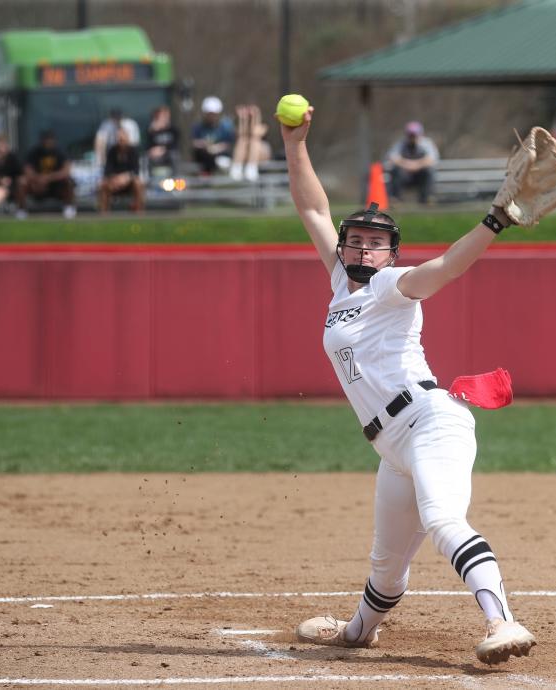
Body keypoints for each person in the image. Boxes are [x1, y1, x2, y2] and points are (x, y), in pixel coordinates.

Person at [282, 104, 539, 665]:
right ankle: (356, 633)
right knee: (386, 564)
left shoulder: (392, 286)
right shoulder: (341, 286)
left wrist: (495, 220)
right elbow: (312, 205)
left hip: (429, 421)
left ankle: (504, 623)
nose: (361, 248)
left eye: (374, 243)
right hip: (391, 443)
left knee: (444, 520)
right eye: (354, 241)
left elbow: (445, 266)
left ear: (390, 254)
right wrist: (294, 143)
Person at [17, 130, 76, 220]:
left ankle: (68, 207)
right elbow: (27, 170)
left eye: (50, 141)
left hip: (55, 185)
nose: (48, 143)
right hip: (36, 185)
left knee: (68, 181)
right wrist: (38, 179)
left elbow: (66, 171)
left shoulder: (60, 152)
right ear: (42, 142)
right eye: (46, 141)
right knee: (22, 182)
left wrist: (48, 178)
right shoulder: (34, 152)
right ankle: (22, 210)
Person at [386, 121, 439, 204]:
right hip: (405, 176)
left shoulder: (427, 144)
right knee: (396, 171)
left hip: (420, 176)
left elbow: (431, 160)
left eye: (414, 135)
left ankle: (427, 198)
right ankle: (396, 199)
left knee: (429, 171)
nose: (412, 137)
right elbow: (393, 158)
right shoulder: (400, 144)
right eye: (410, 135)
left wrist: (413, 165)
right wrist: (411, 165)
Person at [98, 127, 144, 213]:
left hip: (129, 182)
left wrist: (126, 177)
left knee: (138, 183)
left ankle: (138, 211)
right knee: (103, 184)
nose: (121, 141)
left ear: (127, 138)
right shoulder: (112, 151)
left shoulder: (133, 151)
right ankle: (103, 213)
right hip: (115, 182)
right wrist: (116, 179)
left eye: (123, 139)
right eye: (119, 138)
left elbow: (136, 170)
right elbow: (108, 170)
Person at [191, 95, 235, 175]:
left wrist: (216, 148)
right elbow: (194, 142)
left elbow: (228, 144)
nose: (211, 116)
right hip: (204, 156)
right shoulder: (198, 126)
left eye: (213, 114)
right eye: (209, 114)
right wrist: (204, 145)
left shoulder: (225, 126)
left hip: (220, 156)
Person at [230, 104, 272, 182]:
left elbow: (255, 133)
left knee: (254, 141)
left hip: (261, 153)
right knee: (242, 140)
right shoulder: (242, 126)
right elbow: (241, 134)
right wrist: (243, 119)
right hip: (245, 155)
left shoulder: (263, 125)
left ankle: (251, 167)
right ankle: (237, 167)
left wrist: (255, 118)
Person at [146, 105, 179, 175]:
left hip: (169, 153)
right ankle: (150, 179)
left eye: (165, 115)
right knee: (148, 157)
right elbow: (148, 145)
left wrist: (163, 149)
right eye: (161, 115)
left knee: (174, 156)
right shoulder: (152, 130)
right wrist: (153, 130)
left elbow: (175, 144)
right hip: (155, 153)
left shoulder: (173, 129)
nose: (163, 118)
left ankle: (175, 177)